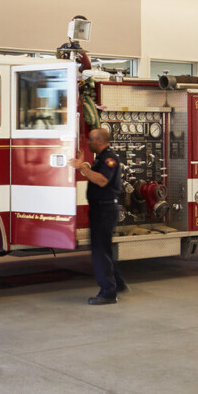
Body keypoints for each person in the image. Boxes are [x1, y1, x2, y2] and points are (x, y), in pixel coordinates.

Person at [69, 127, 127, 305]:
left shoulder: (109, 158)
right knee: (104, 249)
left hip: (105, 210)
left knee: (100, 251)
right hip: (101, 209)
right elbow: (96, 176)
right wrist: (83, 166)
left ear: (100, 140)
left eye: (92, 140)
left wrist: (82, 169)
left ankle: (108, 293)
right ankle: (117, 284)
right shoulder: (101, 158)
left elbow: (102, 180)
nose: (89, 143)